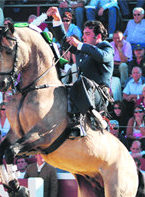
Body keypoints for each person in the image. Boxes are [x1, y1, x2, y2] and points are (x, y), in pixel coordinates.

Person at [48, 7, 113, 138]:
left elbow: (102, 57)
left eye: (87, 34)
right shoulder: (82, 49)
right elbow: (63, 41)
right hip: (82, 92)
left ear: (98, 36)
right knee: (60, 89)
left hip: (99, 95)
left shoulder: (106, 46)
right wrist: (57, 20)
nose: (83, 37)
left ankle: (85, 120)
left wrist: (80, 45)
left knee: (83, 82)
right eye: (83, 34)